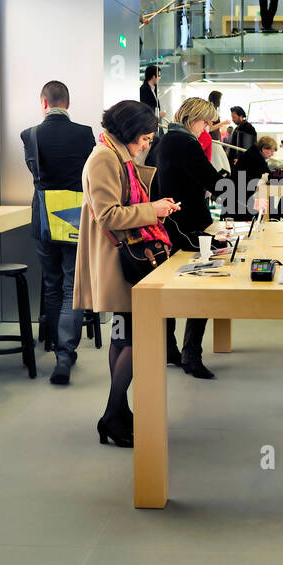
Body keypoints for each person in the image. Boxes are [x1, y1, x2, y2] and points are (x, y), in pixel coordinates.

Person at [74, 101, 180, 448]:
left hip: (121, 256)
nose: (147, 145)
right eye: (145, 138)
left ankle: (118, 413)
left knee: (123, 336)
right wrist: (153, 210)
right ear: (129, 133)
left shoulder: (114, 154)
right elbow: (109, 215)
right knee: (133, 337)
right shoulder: (105, 158)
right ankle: (112, 415)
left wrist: (154, 208)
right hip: (117, 258)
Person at [21, 79, 95, 386]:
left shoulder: (30, 135)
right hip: (74, 218)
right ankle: (65, 353)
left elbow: (35, 173)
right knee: (70, 288)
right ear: (67, 103)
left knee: (51, 285)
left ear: (43, 103)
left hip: (43, 220)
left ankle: (55, 349)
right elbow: (90, 174)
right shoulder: (84, 133)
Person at [148, 97, 221, 379]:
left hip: (167, 225)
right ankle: (192, 356)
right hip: (190, 226)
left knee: (170, 287)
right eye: (205, 123)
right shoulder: (187, 142)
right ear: (194, 119)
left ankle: (169, 348)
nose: (206, 130)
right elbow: (213, 181)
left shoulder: (163, 141)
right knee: (199, 290)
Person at [228, 135, 278, 219]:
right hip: (240, 195)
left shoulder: (253, 152)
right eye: (271, 151)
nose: (272, 154)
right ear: (264, 149)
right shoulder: (257, 158)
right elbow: (270, 175)